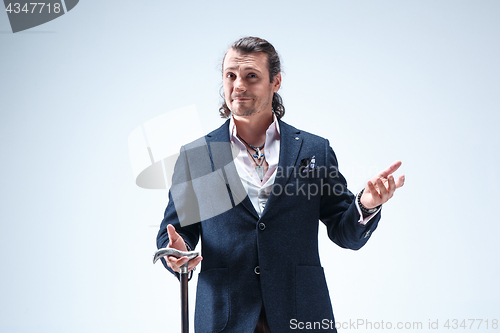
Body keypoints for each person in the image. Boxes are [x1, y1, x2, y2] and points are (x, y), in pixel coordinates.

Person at [156, 36, 405, 333]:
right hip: (225, 317)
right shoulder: (197, 157)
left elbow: (345, 233)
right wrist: (178, 253)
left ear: (276, 82)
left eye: (251, 76)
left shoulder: (315, 150)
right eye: (230, 76)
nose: (238, 86)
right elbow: (177, 233)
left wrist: (366, 204)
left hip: (302, 315)